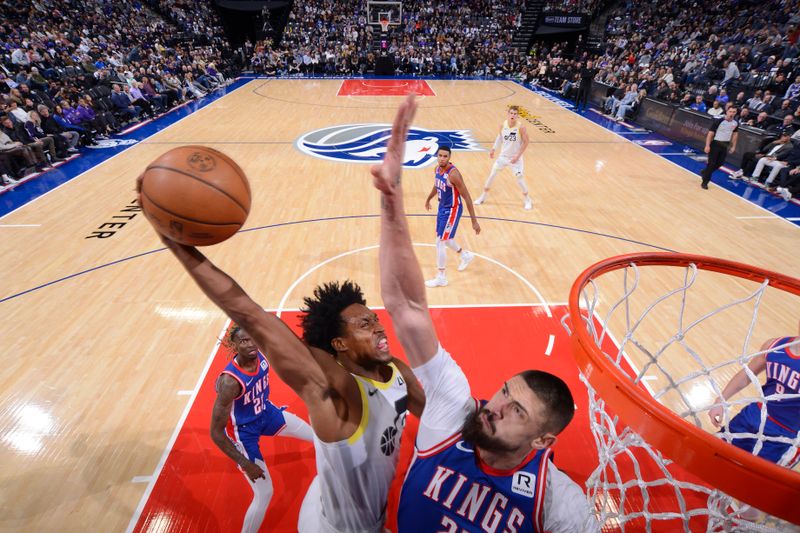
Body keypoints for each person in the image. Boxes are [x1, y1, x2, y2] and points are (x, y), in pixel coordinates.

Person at [137, 189, 426, 532]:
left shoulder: (397, 373)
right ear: (339, 344)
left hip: (331, 496)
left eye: (374, 318)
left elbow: (442, 416)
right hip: (338, 528)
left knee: (324, 470)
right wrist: (175, 243)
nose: (379, 326)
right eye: (365, 324)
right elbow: (250, 313)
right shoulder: (333, 393)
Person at [371, 95, 596, 532]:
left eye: (517, 412)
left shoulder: (561, 503)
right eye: (504, 392)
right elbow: (406, 306)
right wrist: (389, 202)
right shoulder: (456, 411)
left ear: (543, 441)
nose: (496, 407)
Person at [211, 325, 313, 533]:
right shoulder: (230, 382)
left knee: (315, 434)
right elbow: (215, 432)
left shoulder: (261, 353)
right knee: (265, 493)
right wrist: (245, 463)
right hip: (244, 431)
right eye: (244, 341)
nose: (250, 344)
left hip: (266, 413)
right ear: (235, 345)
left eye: (252, 338)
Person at [709, 327, 800, 465]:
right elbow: (747, 375)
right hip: (753, 414)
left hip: (783, 434)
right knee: (715, 454)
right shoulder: (774, 345)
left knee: (752, 478)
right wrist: (720, 400)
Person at [423, 146, 481, 288]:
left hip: (453, 210)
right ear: (437, 156)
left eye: (445, 156)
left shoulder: (453, 174)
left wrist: (474, 221)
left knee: (440, 241)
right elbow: (437, 185)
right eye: (440, 156)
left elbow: (467, 197)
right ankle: (465, 255)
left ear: (449, 158)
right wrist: (429, 198)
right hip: (442, 208)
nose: (442, 158)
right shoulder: (437, 169)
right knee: (447, 239)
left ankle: (441, 277)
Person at [474, 106, 533, 210]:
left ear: (518, 115)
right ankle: (483, 196)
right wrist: (493, 149)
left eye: (515, 114)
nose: (513, 115)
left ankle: (528, 200)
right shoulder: (503, 125)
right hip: (503, 157)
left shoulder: (521, 127)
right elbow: (499, 137)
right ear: (508, 114)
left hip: (516, 159)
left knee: (519, 178)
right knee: (492, 175)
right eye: (511, 113)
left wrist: (517, 156)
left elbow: (526, 142)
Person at [699, 107, 739, 189]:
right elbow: (710, 133)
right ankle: (705, 182)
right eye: (730, 111)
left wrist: (733, 146)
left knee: (720, 163)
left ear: (736, 113)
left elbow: (735, 134)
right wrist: (707, 145)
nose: (732, 113)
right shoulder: (719, 121)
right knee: (711, 164)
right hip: (715, 144)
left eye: (734, 112)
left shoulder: (735, 123)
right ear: (727, 112)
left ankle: (705, 172)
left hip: (725, 145)